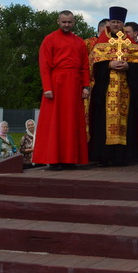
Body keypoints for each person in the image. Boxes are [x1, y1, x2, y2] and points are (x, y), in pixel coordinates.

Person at [89, 6, 138, 166]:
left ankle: (123, 157)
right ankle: (104, 157)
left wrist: (129, 67)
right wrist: (108, 64)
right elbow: (93, 65)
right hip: (106, 91)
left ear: (123, 23)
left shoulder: (131, 44)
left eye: (119, 22)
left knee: (126, 122)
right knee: (103, 123)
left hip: (125, 91)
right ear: (110, 22)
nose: (116, 24)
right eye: (113, 22)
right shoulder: (101, 44)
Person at [35, 10, 90, 170]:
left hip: (74, 84)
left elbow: (85, 67)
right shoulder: (49, 39)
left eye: (70, 22)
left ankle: (70, 159)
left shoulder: (80, 42)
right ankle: (54, 159)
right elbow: (44, 65)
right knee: (55, 122)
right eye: (64, 22)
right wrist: (47, 88)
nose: (67, 25)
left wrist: (86, 86)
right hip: (56, 83)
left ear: (74, 23)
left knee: (72, 122)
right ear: (58, 22)